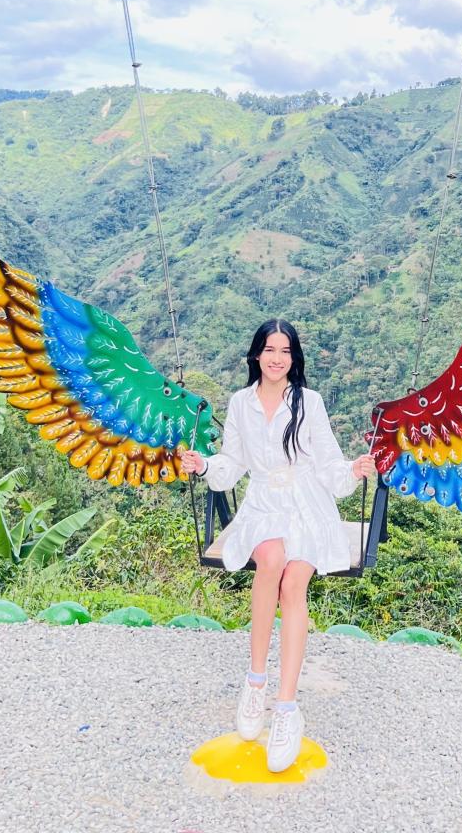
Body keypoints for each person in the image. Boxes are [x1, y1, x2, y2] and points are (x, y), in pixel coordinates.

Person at [179, 318, 376, 772]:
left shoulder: (310, 402)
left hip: (308, 505)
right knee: (270, 559)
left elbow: (327, 464)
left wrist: (352, 471)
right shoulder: (240, 403)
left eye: (286, 351)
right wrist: (204, 465)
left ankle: (286, 706)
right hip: (264, 504)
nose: (277, 358)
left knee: (293, 582)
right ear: (256, 354)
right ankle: (255, 681)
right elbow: (232, 463)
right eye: (270, 349)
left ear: (294, 358)